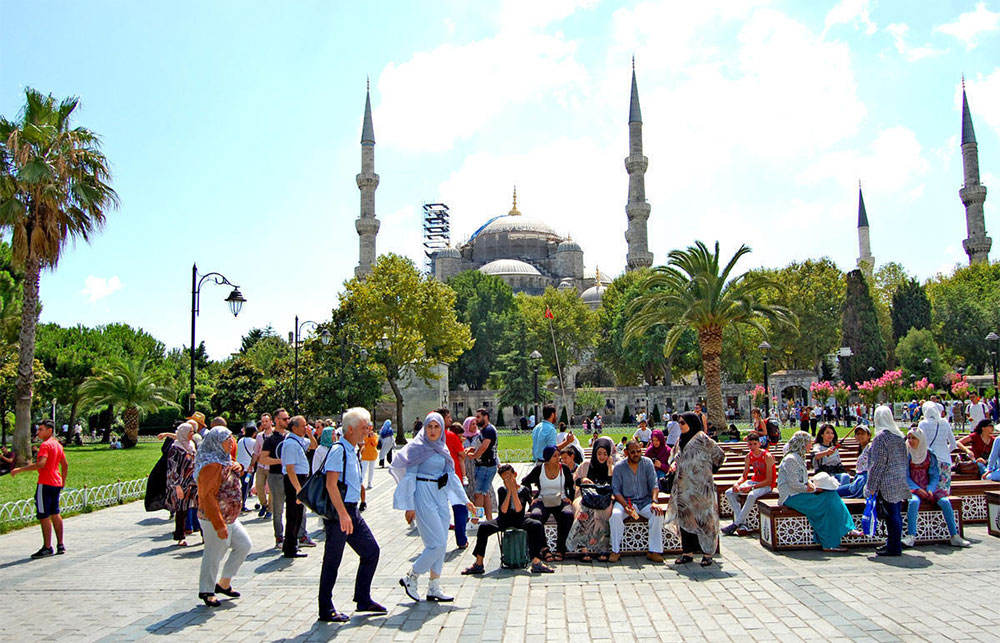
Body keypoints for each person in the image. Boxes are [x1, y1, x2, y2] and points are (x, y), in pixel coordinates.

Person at [393, 412, 475, 602]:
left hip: (440, 494)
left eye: (436, 427)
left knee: (442, 541)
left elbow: (452, 475)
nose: (432, 430)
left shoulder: (443, 447)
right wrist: (410, 505)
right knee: (436, 543)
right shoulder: (417, 447)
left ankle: (434, 586)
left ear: (441, 428)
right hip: (423, 493)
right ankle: (411, 576)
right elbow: (410, 476)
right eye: (429, 426)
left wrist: (465, 499)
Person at [318, 407, 385, 623]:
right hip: (341, 512)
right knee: (333, 559)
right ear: (350, 430)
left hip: (351, 510)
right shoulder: (339, 450)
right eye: (364, 427)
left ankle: (363, 598)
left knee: (371, 551)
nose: (368, 430)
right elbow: (331, 484)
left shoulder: (353, 449)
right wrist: (342, 514)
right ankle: (325, 607)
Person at [461, 464, 554, 575]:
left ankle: (536, 562)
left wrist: (514, 490)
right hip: (503, 520)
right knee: (484, 527)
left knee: (536, 525)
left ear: (515, 475)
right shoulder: (502, 490)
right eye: (504, 478)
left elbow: (519, 509)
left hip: (519, 520)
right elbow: (503, 510)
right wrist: (509, 491)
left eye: (509, 476)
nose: (507, 479)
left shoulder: (524, 490)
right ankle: (478, 563)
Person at [195, 427, 251, 607]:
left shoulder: (223, 459)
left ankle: (224, 583)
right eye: (227, 440)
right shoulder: (210, 465)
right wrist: (219, 524)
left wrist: (239, 467)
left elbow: (231, 475)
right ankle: (207, 590)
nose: (231, 443)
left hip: (230, 518)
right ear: (216, 443)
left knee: (243, 545)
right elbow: (207, 496)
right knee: (214, 553)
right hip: (215, 518)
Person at [778, 431, 861, 553]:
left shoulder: (798, 457)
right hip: (791, 497)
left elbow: (803, 480)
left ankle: (834, 538)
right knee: (829, 500)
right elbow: (793, 484)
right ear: (802, 443)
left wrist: (811, 484)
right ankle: (845, 530)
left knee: (831, 497)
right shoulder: (791, 459)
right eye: (808, 443)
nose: (810, 446)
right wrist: (815, 489)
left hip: (799, 494)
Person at [666, 412, 725, 566]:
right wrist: (674, 464)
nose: (680, 425)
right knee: (685, 518)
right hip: (684, 488)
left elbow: (719, 455)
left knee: (705, 520)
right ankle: (687, 552)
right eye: (679, 422)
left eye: (682, 423)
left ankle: (707, 553)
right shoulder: (681, 440)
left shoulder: (703, 439)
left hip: (701, 489)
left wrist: (707, 470)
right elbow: (675, 456)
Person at [903, 427, 970, 548]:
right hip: (912, 487)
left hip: (928, 486)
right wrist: (917, 489)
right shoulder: (906, 453)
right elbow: (905, 475)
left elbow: (934, 474)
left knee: (945, 501)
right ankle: (911, 535)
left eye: (914, 438)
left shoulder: (929, 453)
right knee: (913, 502)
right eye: (909, 438)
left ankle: (954, 536)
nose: (911, 441)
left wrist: (930, 488)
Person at [10, 420, 68, 558]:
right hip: (56, 483)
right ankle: (60, 544)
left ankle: (47, 547)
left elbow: (41, 464)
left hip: (45, 483)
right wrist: (62, 482)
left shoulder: (45, 445)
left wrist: (19, 469)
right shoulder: (58, 445)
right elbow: (65, 464)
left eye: (41, 429)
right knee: (55, 513)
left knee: (44, 515)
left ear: (49, 430)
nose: (38, 432)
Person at [609, 439, 664, 563]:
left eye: (639, 451)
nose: (636, 454)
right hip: (625, 501)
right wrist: (625, 506)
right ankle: (615, 550)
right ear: (626, 452)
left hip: (645, 501)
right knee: (616, 515)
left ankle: (654, 551)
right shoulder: (619, 466)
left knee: (657, 514)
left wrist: (655, 501)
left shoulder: (647, 463)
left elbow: (654, 485)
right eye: (633, 452)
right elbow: (616, 490)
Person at [521, 445, 576, 561]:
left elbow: (571, 486)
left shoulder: (564, 469)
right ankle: (544, 548)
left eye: (558, 455)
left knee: (567, 515)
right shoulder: (539, 469)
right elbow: (525, 482)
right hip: (542, 500)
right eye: (554, 456)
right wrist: (531, 499)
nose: (558, 458)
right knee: (536, 516)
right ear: (547, 458)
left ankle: (561, 549)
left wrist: (569, 498)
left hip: (560, 499)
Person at [568, 436, 615, 562]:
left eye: (605, 454)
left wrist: (610, 467)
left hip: (603, 499)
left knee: (604, 511)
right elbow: (574, 481)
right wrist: (582, 480)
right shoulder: (586, 465)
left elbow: (611, 486)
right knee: (584, 510)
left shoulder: (610, 467)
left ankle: (602, 548)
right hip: (584, 497)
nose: (602, 457)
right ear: (594, 453)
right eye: (599, 453)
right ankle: (584, 548)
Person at [722, 431, 775, 535]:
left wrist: (751, 488)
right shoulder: (748, 456)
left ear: (759, 444)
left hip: (767, 485)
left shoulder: (767, 456)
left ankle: (736, 524)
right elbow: (744, 475)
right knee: (729, 492)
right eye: (750, 444)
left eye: (755, 444)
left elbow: (769, 480)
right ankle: (742, 523)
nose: (752, 447)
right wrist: (737, 484)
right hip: (754, 481)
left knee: (751, 495)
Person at [280, 415, 317, 558]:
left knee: (299, 514)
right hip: (294, 481)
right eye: (303, 426)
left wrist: (309, 434)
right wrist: (298, 489)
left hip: (301, 479)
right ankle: (289, 547)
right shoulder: (290, 444)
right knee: (293, 514)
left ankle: (293, 544)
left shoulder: (299, 440)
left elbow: (313, 446)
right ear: (294, 428)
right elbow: (290, 469)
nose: (305, 427)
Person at [260, 409, 291, 548]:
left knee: (294, 507)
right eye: (284, 419)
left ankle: (295, 536)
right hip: (276, 476)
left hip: (290, 475)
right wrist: (280, 461)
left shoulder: (290, 437)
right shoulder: (270, 439)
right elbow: (263, 458)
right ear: (276, 420)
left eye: (288, 418)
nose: (287, 421)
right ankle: (279, 537)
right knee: (278, 509)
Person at [165, 422, 199, 547]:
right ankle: (180, 536)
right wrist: (177, 486)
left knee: (200, 506)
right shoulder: (175, 449)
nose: (192, 434)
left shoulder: (192, 445)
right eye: (190, 432)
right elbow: (172, 469)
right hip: (181, 483)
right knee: (182, 509)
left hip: (194, 481)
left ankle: (204, 535)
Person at [465, 407, 499, 521]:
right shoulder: (485, 431)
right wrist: (472, 449)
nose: (477, 420)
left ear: (486, 417)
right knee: (485, 493)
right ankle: (489, 519)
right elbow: (480, 446)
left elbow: (484, 447)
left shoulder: (488, 430)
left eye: (479, 417)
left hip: (486, 466)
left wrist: (474, 455)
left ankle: (476, 519)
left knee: (478, 493)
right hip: (484, 466)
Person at [918, 400, 957, 495]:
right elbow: (953, 444)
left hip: (930, 461)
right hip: (945, 461)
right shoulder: (944, 422)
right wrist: (945, 451)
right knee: (944, 493)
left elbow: (920, 444)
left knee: (931, 492)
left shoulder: (923, 424)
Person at [444, 421, 470, 549]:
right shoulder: (451, 436)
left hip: (436, 477)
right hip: (455, 476)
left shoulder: (429, 437)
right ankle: (461, 540)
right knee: (460, 508)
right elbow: (461, 456)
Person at [836, 426, 872, 498]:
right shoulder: (862, 448)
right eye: (858, 434)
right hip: (858, 480)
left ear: (869, 435)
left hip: (864, 481)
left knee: (835, 493)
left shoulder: (870, 446)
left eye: (862, 433)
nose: (860, 436)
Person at [251, 413, 273, 518]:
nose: (264, 423)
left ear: (271, 422)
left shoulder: (275, 435)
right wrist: (252, 464)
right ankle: (264, 504)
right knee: (259, 486)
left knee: (272, 489)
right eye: (263, 421)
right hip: (261, 465)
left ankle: (270, 509)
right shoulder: (260, 436)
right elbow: (256, 451)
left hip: (272, 465)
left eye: (266, 421)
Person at [235, 424, 256, 512]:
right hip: (248, 469)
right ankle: (242, 505)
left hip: (239, 467)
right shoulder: (253, 442)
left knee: (240, 486)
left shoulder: (240, 440)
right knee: (246, 486)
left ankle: (238, 503)